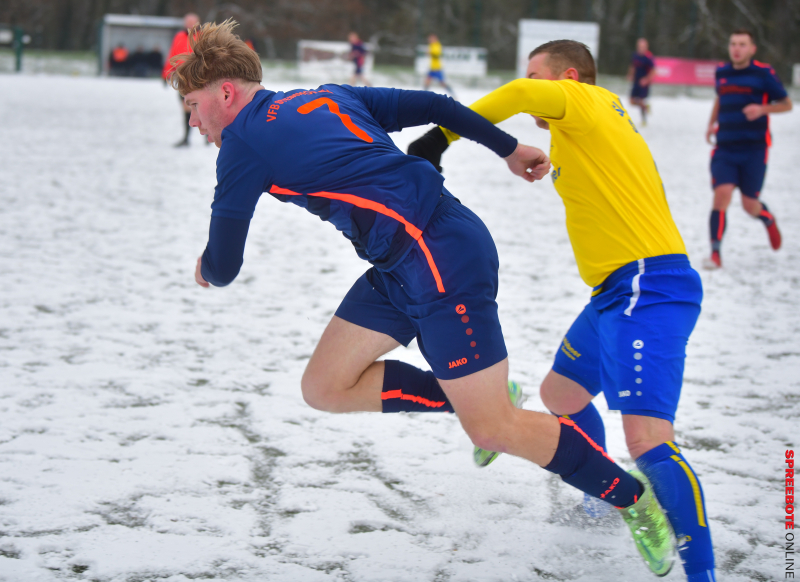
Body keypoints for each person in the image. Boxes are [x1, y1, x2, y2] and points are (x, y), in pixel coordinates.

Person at [170, 20, 674, 578]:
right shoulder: (328, 97)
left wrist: (204, 268)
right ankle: (477, 393)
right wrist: (507, 148)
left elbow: (224, 265)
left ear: (224, 92)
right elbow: (439, 106)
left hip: (440, 260)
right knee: (325, 387)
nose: (193, 122)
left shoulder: (242, 142)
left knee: (492, 428)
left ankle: (631, 498)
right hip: (401, 261)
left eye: (193, 105)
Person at [408, 40, 715, 581]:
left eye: (538, 79)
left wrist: (441, 135)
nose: (529, 98)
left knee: (647, 440)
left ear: (569, 79)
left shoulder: (590, 103)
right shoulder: (581, 131)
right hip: (613, 295)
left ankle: (702, 574)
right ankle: (603, 497)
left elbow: (524, 94)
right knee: (560, 395)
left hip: (650, 287)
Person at [703, 28, 792, 269]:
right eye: (733, 44)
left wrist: (762, 109)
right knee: (721, 195)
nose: (736, 49)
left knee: (749, 205)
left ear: (752, 49)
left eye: (742, 44)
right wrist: (711, 123)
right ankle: (715, 253)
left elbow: (786, 104)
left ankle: (768, 219)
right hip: (725, 147)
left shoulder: (763, 73)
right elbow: (720, 98)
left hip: (754, 149)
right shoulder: (722, 71)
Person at [163, 13, 201, 147]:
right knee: (186, 106)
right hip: (182, 78)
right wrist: (166, 74)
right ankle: (186, 137)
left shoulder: (203, 37)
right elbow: (172, 55)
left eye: (193, 22)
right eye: (188, 22)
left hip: (198, 77)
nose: (190, 25)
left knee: (201, 105)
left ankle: (208, 134)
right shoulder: (179, 36)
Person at [627, 38, 655, 125]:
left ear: (646, 47)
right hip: (636, 81)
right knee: (631, 101)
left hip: (643, 84)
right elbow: (633, 66)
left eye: (643, 46)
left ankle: (644, 120)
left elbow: (653, 71)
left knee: (641, 100)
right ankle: (645, 107)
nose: (641, 48)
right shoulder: (635, 55)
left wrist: (646, 80)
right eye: (639, 46)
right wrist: (630, 75)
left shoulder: (648, 57)